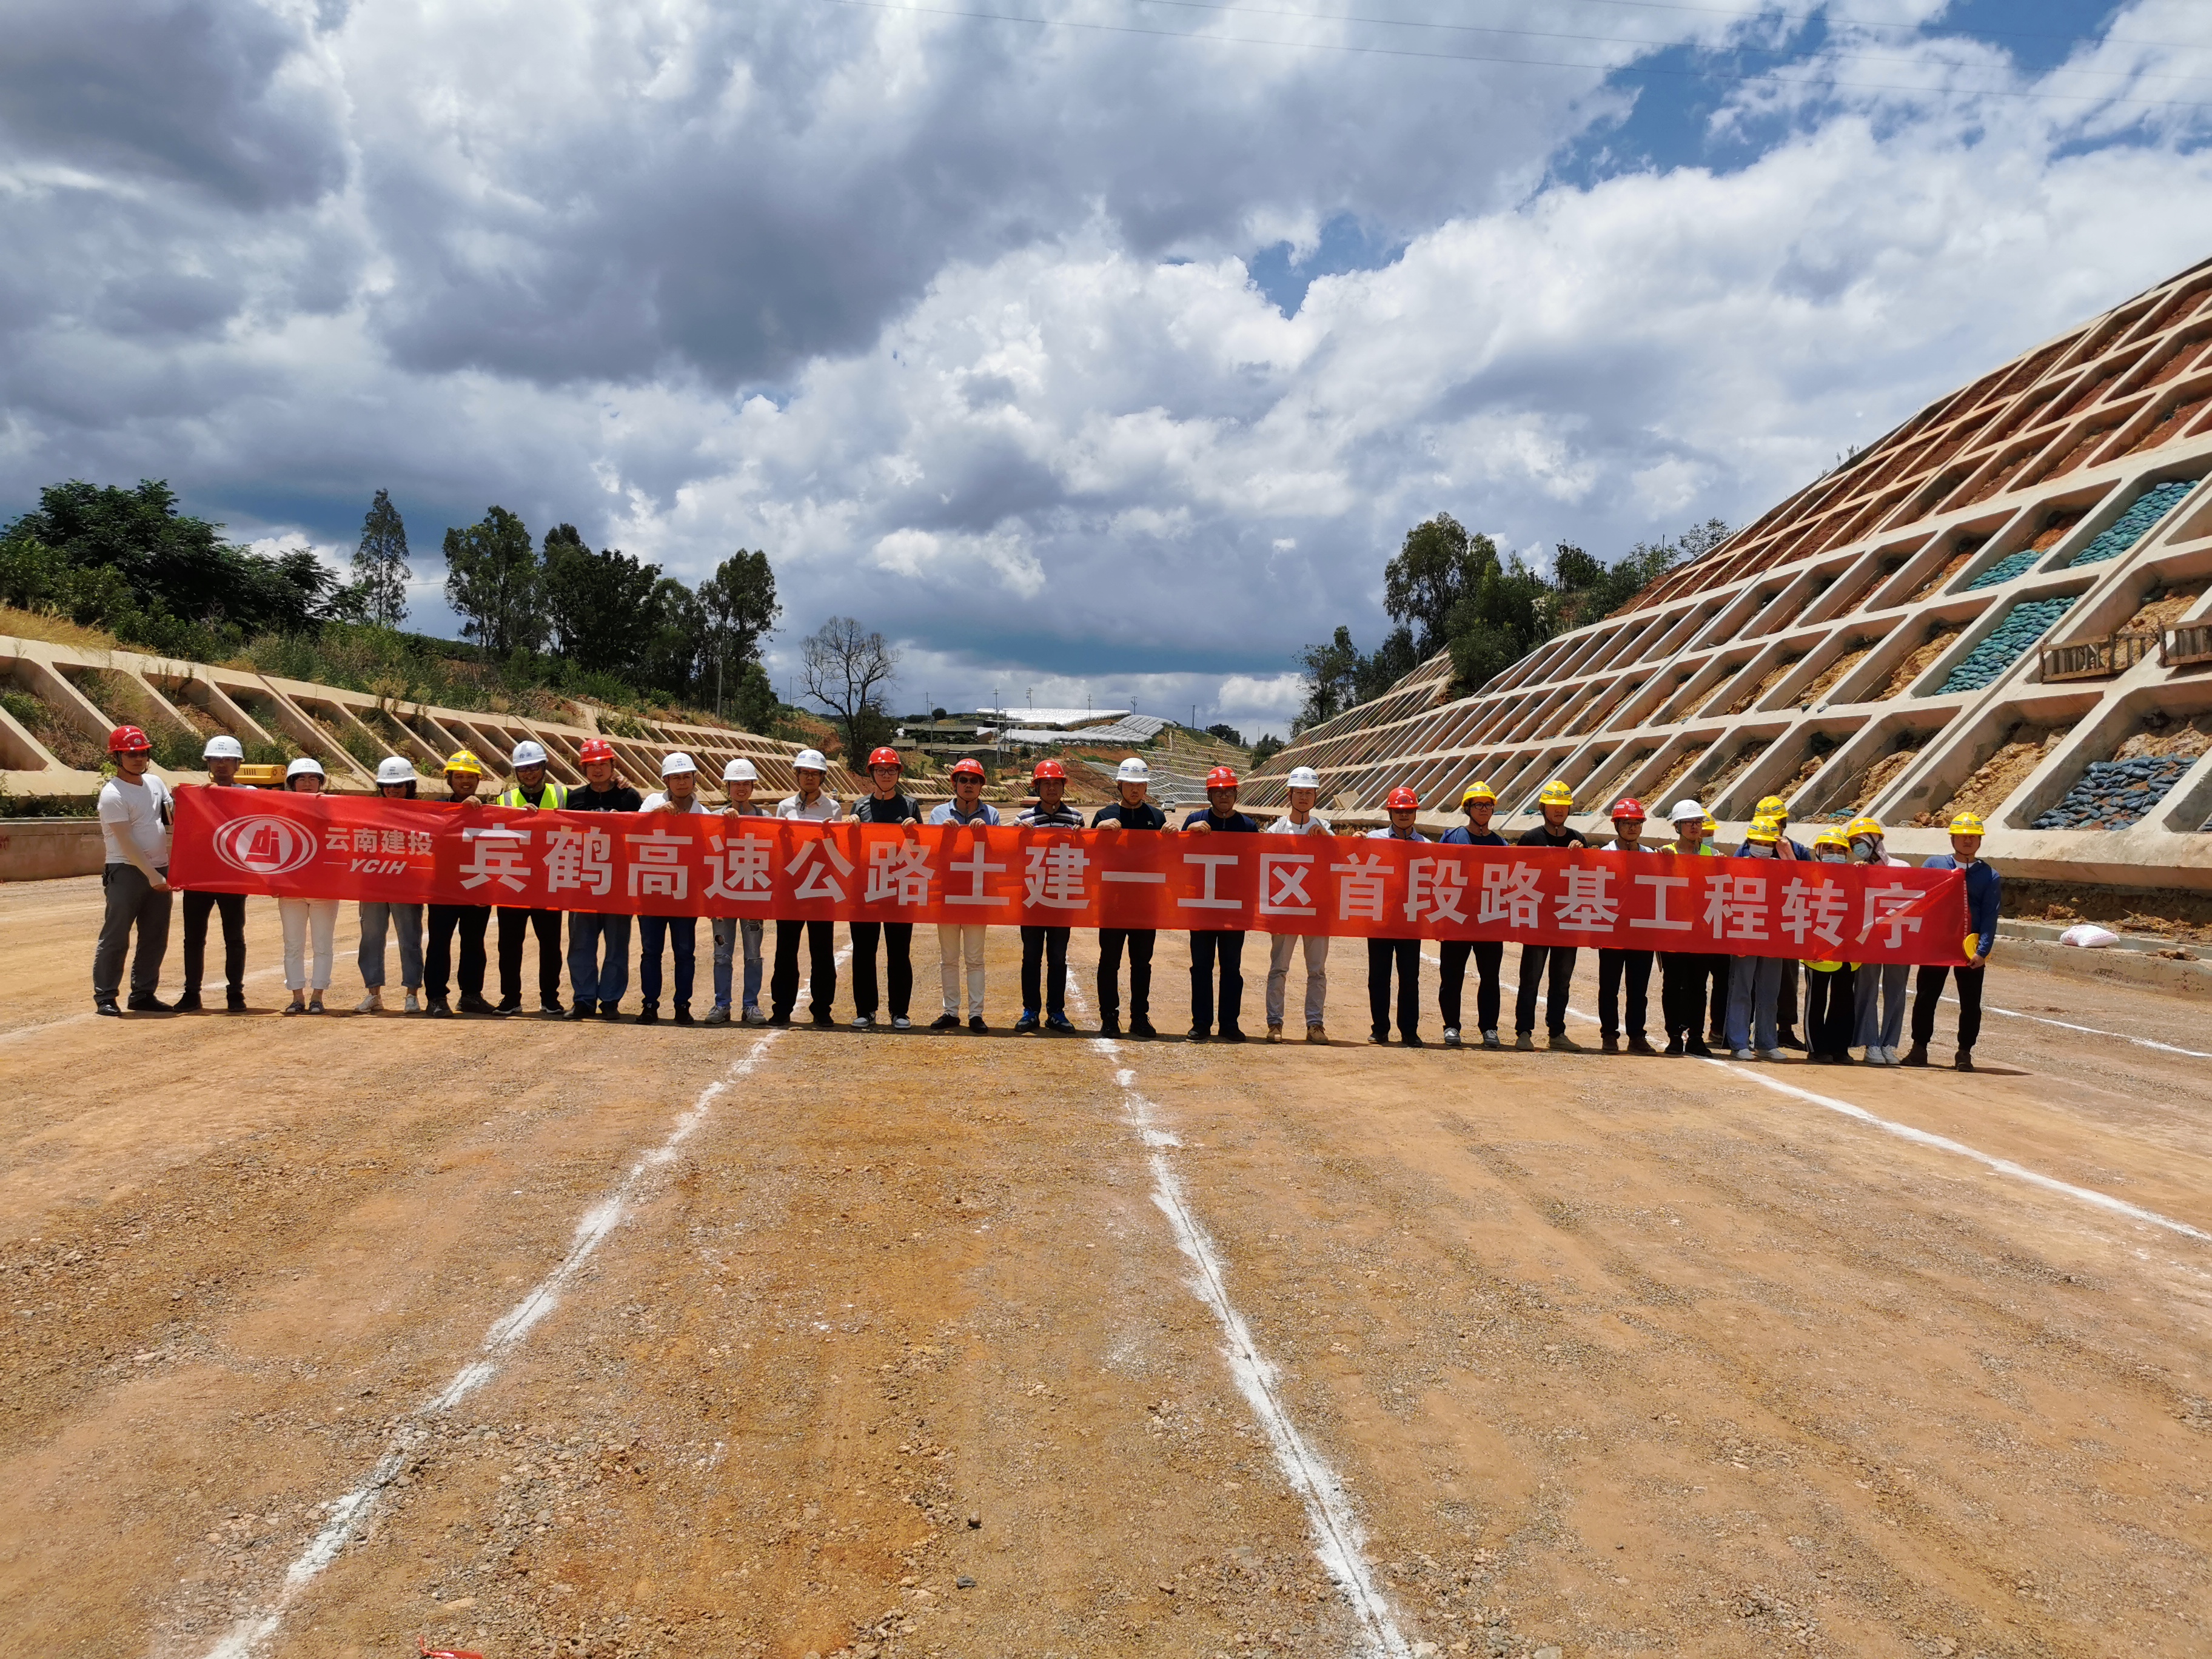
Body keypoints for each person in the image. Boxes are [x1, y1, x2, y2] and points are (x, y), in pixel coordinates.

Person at [1905, 811, 2001, 1072]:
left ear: (1980, 841)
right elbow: (1917, 901)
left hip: (1969, 947)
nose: (1968, 841)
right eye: (1962, 836)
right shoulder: (1935, 865)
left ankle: (1964, 1052)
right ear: (1953, 839)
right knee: (1926, 996)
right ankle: (1919, 1048)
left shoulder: (1989, 876)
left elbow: (1991, 915)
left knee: (1970, 1003)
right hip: (1938, 944)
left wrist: (1982, 951)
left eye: (1973, 837)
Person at [93, 724, 174, 1016]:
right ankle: (105, 996)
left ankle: (143, 994)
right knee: (116, 935)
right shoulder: (112, 795)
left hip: (159, 869)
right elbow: (125, 841)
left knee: (155, 935)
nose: (138, 759)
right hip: (127, 871)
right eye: (130, 754)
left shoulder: (155, 783)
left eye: (142, 753)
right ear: (117, 758)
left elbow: (175, 814)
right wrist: (153, 875)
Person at [566, 736, 643, 1021]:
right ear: (583, 768)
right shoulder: (573, 799)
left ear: (614, 765)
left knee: (616, 945)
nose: (597, 770)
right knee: (581, 945)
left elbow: (643, 835)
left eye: (603, 764)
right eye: (591, 765)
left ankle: (610, 1000)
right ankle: (583, 999)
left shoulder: (629, 798)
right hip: (583, 883)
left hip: (618, 884)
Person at [1182, 765, 1258, 1042]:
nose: (1224, 797)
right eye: (1218, 792)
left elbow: (1255, 869)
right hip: (1201, 907)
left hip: (1233, 910)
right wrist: (1188, 832)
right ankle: (1201, 1023)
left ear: (1236, 794)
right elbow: (1177, 857)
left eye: (1229, 792)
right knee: (1201, 967)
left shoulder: (1248, 827)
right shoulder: (1194, 820)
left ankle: (1229, 1024)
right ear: (1210, 795)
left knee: (1231, 968)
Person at [850, 746, 924, 1030]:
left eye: (891, 770)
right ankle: (866, 1010)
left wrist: (914, 831)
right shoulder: (860, 806)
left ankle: (899, 1011)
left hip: (899, 888)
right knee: (864, 952)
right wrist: (851, 826)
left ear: (898, 774)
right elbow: (852, 849)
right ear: (871, 773)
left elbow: (920, 849)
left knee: (899, 952)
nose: (885, 775)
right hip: (866, 889)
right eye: (880, 770)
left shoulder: (910, 806)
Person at [1092, 756, 1166, 1039]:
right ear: (1119, 784)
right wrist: (1097, 832)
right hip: (1112, 902)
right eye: (1130, 784)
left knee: (1142, 964)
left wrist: (1170, 834)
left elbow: (1169, 857)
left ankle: (1139, 1017)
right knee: (1109, 962)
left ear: (1146, 786)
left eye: (1140, 784)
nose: (1135, 790)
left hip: (1145, 904)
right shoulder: (1104, 816)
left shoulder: (1157, 817)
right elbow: (1092, 854)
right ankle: (1109, 1017)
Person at [634, 752, 708, 1025]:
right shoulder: (652, 802)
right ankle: (650, 1005)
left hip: (685, 895)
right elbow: (632, 829)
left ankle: (682, 1006)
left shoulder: (705, 814)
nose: (681, 782)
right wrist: (657, 814)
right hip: (652, 890)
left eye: (686, 776)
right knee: (651, 951)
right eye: (675, 777)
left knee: (685, 952)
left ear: (694, 779)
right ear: (666, 780)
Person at [1514, 780, 1589, 1052]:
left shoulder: (1579, 840)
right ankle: (1524, 1031)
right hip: (1537, 920)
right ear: (1543, 807)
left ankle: (1557, 1032)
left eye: (1564, 806)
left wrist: (1582, 855)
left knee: (1562, 980)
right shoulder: (1530, 840)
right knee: (1530, 978)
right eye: (1554, 806)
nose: (1559, 810)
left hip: (1567, 920)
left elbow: (1589, 878)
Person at [176, 733, 249, 1013]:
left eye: (228, 759)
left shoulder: (250, 795)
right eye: (216, 759)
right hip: (199, 877)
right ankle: (191, 994)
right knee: (193, 938)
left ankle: (235, 995)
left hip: (233, 876)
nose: (222, 764)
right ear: (208, 762)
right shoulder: (194, 795)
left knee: (234, 937)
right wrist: (189, 796)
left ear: (238, 765)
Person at [496, 739, 566, 1016]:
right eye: (523, 769)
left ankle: (550, 998)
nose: (529, 773)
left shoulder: (562, 795)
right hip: (512, 881)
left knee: (550, 945)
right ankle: (510, 998)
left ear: (544, 767)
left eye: (534, 767)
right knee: (509, 946)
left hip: (548, 882)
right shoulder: (504, 800)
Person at [771, 747, 842, 1026]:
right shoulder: (785, 807)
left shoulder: (833, 809)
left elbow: (836, 848)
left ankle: (822, 1009)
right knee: (785, 951)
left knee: (822, 951)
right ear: (797, 775)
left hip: (820, 888)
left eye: (815, 774)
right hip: (790, 888)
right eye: (805, 773)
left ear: (822, 777)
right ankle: (781, 1009)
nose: (809, 778)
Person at [1262, 765, 1332, 1044]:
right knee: (1279, 968)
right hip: (1285, 910)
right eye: (1299, 792)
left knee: (1317, 971)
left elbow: (1338, 861)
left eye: (1309, 792)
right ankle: (1275, 1023)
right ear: (1289, 794)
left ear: (1315, 796)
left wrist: (1327, 842)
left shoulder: (1324, 828)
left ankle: (1315, 1025)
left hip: (1316, 910)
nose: (1303, 797)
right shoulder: (1276, 829)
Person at [928, 758, 998, 1032]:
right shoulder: (937, 814)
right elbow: (931, 852)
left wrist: (987, 835)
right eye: (964, 780)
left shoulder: (991, 815)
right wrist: (942, 835)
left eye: (975, 780)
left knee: (975, 957)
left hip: (977, 894)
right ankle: (951, 1011)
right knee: (948, 957)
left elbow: (1002, 853)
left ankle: (976, 1014)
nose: (969, 785)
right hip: (947, 894)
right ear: (954, 783)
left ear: (981, 785)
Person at [1438, 779, 1507, 1049]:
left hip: (1489, 920)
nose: (1483, 809)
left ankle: (1489, 1028)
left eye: (1488, 805)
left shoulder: (1500, 844)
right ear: (1468, 808)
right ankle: (1451, 1026)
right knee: (1452, 975)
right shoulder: (1451, 837)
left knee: (1490, 977)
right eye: (1478, 805)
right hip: (1456, 917)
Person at [1016, 758, 1084, 1034]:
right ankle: (1030, 1010)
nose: (1052, 788)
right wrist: (1015, 836)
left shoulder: (1076, 819)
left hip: (1061, 899)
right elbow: (1014, 857)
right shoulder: (1024, 820)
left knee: (1058, 958)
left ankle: (1056, 1011)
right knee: (1030, 957)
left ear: (1063, 787)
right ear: (1037, 787)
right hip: (1032, 898)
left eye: (1057, 783)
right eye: (1046, 783)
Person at [425, 751, 494, 1019]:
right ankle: (437, 999)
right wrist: (459, 813)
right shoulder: (437, 809)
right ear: (449, 780)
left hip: (478, 885)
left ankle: (471, 996)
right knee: (439, 943)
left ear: (479, 780)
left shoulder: (491, 810)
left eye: (470, 777)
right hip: (442, 887)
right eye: (459, 776)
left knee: (474, 943)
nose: (465, 782)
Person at [355, 756, 425, 1013]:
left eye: (399, 785)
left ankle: (412, 994)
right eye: (387, 785)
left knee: (410, 939)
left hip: (407, 885)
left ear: (410, 785)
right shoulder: (368, 812)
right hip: (373, 884)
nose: (393, 789)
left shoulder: (424, 814)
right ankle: (373, 993)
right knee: (371, 938)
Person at [1722, 814, 1789, 1060]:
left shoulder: (1782, 867)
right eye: (1758, 842)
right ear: (1749, 842)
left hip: (1772, 936)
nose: (1763, 848)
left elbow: (1800, 884)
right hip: (1745, 932)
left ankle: (1767, 1041)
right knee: (1741, 988)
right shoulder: (1736, 866)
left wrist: (1786, 853)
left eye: (1768, 843)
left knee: (1770, 991)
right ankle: (1739, 1042)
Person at [708, 758, 769, 1027]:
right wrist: (722, 823)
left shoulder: (766, 819)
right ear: (728, 786)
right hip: (723, 895)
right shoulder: (714, 818)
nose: (741, 788)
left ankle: (751, 1005)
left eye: (746, 783)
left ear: (753, 786)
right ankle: (722, 1005)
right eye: (736, 783)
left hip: (753, 896)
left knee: (753, 956)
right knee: (722, 955)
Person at [278, 757, 341, 1015]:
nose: (306, 783)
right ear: (292, 783)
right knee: (292, 944)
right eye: (301, 779)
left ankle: (318, 996)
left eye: (312, 778)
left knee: (322, 944)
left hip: (324, 890)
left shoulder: (334, 809)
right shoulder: (279, 809)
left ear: (320, 783)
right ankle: (297, 996)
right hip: (291, 890)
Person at [1657, 799, 1718, 1057]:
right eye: (1689, 823)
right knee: (1672, 984)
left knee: (1698, 986)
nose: (1695, 827)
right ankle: (1674, 1036)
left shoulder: (1713, 856)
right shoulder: (1663, 854)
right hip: (1673, 930)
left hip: (1701, 932)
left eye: (1698, 822)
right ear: (1677, 826)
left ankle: (1696, 1037)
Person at [1847, 815, 1911, 1065]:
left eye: (1860, 841)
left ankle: (1888, 1044)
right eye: (1853, 844)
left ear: (1875, 840)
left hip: (1897, 939)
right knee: (1866, 990)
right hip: (1868, 939)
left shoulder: (1902, 867)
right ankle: (1870, 1043)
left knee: (1896, 992)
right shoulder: (1857, 871)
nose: (1857, 848)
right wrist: (1859, 877)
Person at [1365, 786, 1426, 1045]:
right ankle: (1380, 1029)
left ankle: (1409, 1031)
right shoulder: (1373, 838)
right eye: (1399, 811)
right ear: (1390, 812)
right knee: (1379, 975)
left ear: (1415, 813)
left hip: (1411, 919)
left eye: (1409, 811)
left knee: (1410, 977)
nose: (1404, 815)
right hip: (1381, 918)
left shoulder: (1427, 845)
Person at [1597, 797, 1657, 1055]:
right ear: (1617, 825)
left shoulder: (1651, 856)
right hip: (1612, 930)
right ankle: (1609, 1034)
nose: (1632, 828)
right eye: (1627, 823)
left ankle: (1637, 1036)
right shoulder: (1604, 854)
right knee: (1609, 986)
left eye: (1637, 823)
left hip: (1641, 932)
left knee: (1638, 989)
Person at [1751, 794, 1812, 1051]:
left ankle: (1785, 1029)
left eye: (1776, 823)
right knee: (1753, 977)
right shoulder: (1748, 848)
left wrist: (1788, 857)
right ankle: (1753, 1026)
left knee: (1788, 978)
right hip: (1756, 920)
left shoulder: (1797, 850)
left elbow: (1812, 881)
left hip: (1787, 922)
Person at [1801, 827, 1858, 1065]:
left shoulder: (1857, 878)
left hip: (1848, 951)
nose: (1835, 855)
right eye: (1829, 850)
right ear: (1818, 852)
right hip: (1818, 950)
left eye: (1840, 851)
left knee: (1844, 1000)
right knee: (1816, 999)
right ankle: (1816, 1047)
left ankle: (1840, 1047)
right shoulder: (1808, 877)